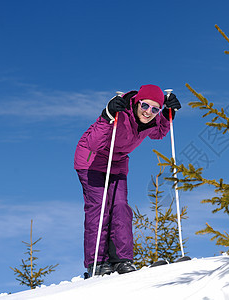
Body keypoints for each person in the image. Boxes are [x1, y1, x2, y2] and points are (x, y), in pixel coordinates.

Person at [74, 84, 181, 276]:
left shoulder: (151, 121)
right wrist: (107, 115)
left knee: (121, 207)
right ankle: (97, 263)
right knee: (99, 208)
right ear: (137, 102)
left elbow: (159, 133)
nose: (149, 112)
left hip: (117, 163)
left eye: (155, 109)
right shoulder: (120, 113)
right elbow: (93, 143)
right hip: (91, 160)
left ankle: (121, 260)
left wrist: (167, 115)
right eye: (145, 106)